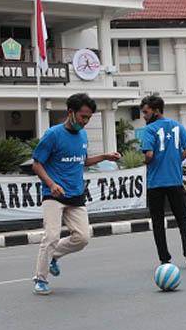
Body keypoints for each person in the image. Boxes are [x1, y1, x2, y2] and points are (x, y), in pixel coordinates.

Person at [31, 93, 121, 295]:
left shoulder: (83, 135)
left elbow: (84, 161)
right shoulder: (53, 135)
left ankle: (54, 256)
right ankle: (41, 278)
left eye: (88, 118)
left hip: (76, 194)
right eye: (83, 116)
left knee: (82, 237)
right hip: (53, 194)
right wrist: (51, 184)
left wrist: (105, 156)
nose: (85, 121)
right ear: (70, 113)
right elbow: (37, 164)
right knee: (52, 235)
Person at [140, 94, 186, 268]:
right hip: (175, 180)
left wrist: (146, 161)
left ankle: (165, 258)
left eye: (146, 112)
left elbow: (149, 154)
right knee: (182, 219)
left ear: (156, 111)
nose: (144, 116)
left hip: (156, 182)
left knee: (158, 222)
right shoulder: (178, 126)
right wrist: (175, 159)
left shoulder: (149, 130)